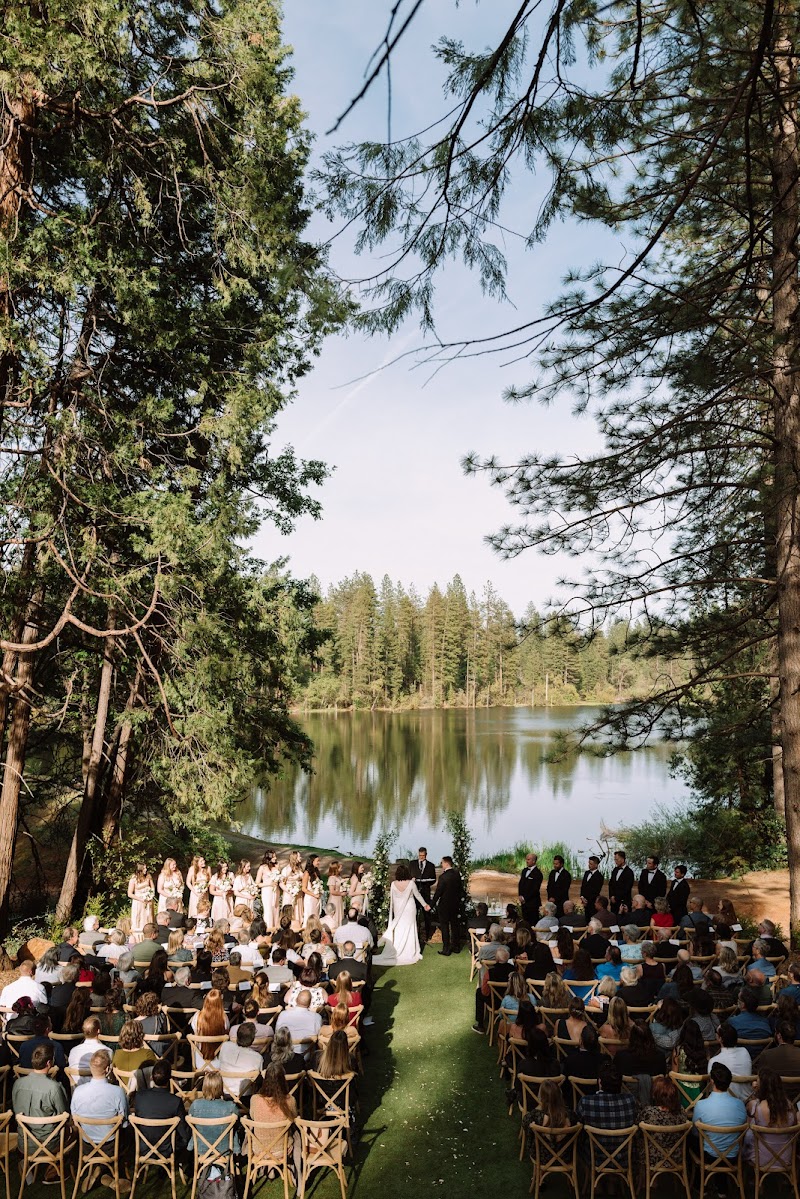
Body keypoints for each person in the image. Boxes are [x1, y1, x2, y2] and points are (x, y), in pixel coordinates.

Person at [12, 1043, 69, 1171]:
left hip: (24, 1143)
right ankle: (54, 1170)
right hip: (49, 1143)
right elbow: (64, 1116)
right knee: (74, 1130)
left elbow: (16, 1109)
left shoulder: (18, 1083)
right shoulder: (54, 1088)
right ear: (49, 1063)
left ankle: (31, 1165)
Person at [373, 862, 431, 965]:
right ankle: (410, 950)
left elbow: (393, 899)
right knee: (410, 929)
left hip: (398, 909)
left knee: (400, 929)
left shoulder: (393, 884)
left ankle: (398, 948)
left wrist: (396, 911)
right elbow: (417, 895)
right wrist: (425, 905)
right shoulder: (411, 883)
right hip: (410, 909)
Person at [576, 1061, 637, 1156]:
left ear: (600, 1082)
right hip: (625, 1156)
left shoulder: (586, 1102)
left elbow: (577, 1126)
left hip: (594, 1157)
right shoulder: (630, 1100)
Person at [744, 1067, 798, 1167]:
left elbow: (747, 1131)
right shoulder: (790, 1106)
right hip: (785, 1158)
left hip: (761, 1159)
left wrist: (756, 1094)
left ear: (761, 1086)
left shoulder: (755, 1106)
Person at [693, 1062, 747, 1158]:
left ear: (712, 1081)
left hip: (709, 1156)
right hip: (733, 1157)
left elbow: (695, 1133)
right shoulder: (740, 1105)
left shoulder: (701, 1105)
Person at [134, 1059, 190, 1150]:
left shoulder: (139, 1097)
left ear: (152, 1077)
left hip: (143, 1148)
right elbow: (184, 1133)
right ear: (170, 1078)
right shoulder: (175, 1101)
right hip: (167, 1149)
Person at [638, 1075, 687, 1170]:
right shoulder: (681, 1112)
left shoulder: (648, 1113)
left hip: (652, 1158)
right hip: (675, 1158)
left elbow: (638, 1131)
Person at [187, 1069, 238, 1155]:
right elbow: (237, 1121)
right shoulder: (230, 1107)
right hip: (224, 1149)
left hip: (201, 1148)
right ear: (220, 1087)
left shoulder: (196, 1105)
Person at [250, 1063, 298, 1149]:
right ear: (283, 1080)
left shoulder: (255, 1099)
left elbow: (253, 1116)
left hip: (258, 1149)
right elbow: (294, 1117)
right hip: (282, 1150)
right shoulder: (290, 1100)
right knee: (297, 1134)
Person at [713, 1023, 757, 1101]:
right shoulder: (745, 1051)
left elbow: (713, 1087)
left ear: (720, 1039)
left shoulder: (714, 1061)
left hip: (726, 1102)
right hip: (748, 1099)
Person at [275, 989, 322, 1054]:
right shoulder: (317, 1017)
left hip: (283, 1052)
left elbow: (277, 1032)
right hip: (305, 1054)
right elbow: (317, 1035)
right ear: (310, 1003)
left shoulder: (283, 1014)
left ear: (296, 1000)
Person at [432, 855, 462, 956]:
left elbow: (438, 893)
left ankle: (446, 949)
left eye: (442, 863)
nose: (441, 865)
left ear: (446, 863)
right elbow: (460, 890)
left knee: (444, 927)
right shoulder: (457, 874)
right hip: (455, 905)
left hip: (444, 906)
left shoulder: (443, 877)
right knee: (454, 926)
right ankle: (456, 946)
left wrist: (431, 904)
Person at [411, 847, 437, 944]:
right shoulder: (412, 864)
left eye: (423, 856)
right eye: (420, 855)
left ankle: (427, 934)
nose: (421, 857)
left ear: (426, 855)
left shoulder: (431, 865)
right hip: (415, 892)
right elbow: (409, 876)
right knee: (414, 913)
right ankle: (415, 933)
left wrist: (426, 882)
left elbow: (433, 879)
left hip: (425, 892)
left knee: (426, 914)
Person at [128, 862, 155, 931]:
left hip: (148, 900)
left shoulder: (148, 877)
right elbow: (130, 893)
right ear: (140, 869)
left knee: (148, 917)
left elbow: (152, 888)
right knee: (139, 918)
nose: (146, 869)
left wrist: (150, 895)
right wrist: (141, 899)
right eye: (144, 868)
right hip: (138, 902)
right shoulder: (133, 879)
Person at [518, 852, 544, 924]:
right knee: (525, 922)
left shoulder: (538, 874)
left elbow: (535, 889)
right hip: (524, 903)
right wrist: (520, 895)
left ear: (534, 861)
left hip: (533, 903)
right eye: (526, 859)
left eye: (528, 859)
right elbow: (520, 884)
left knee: (532, 922)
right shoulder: (524, 871)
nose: (527, 861)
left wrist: (525, 898)